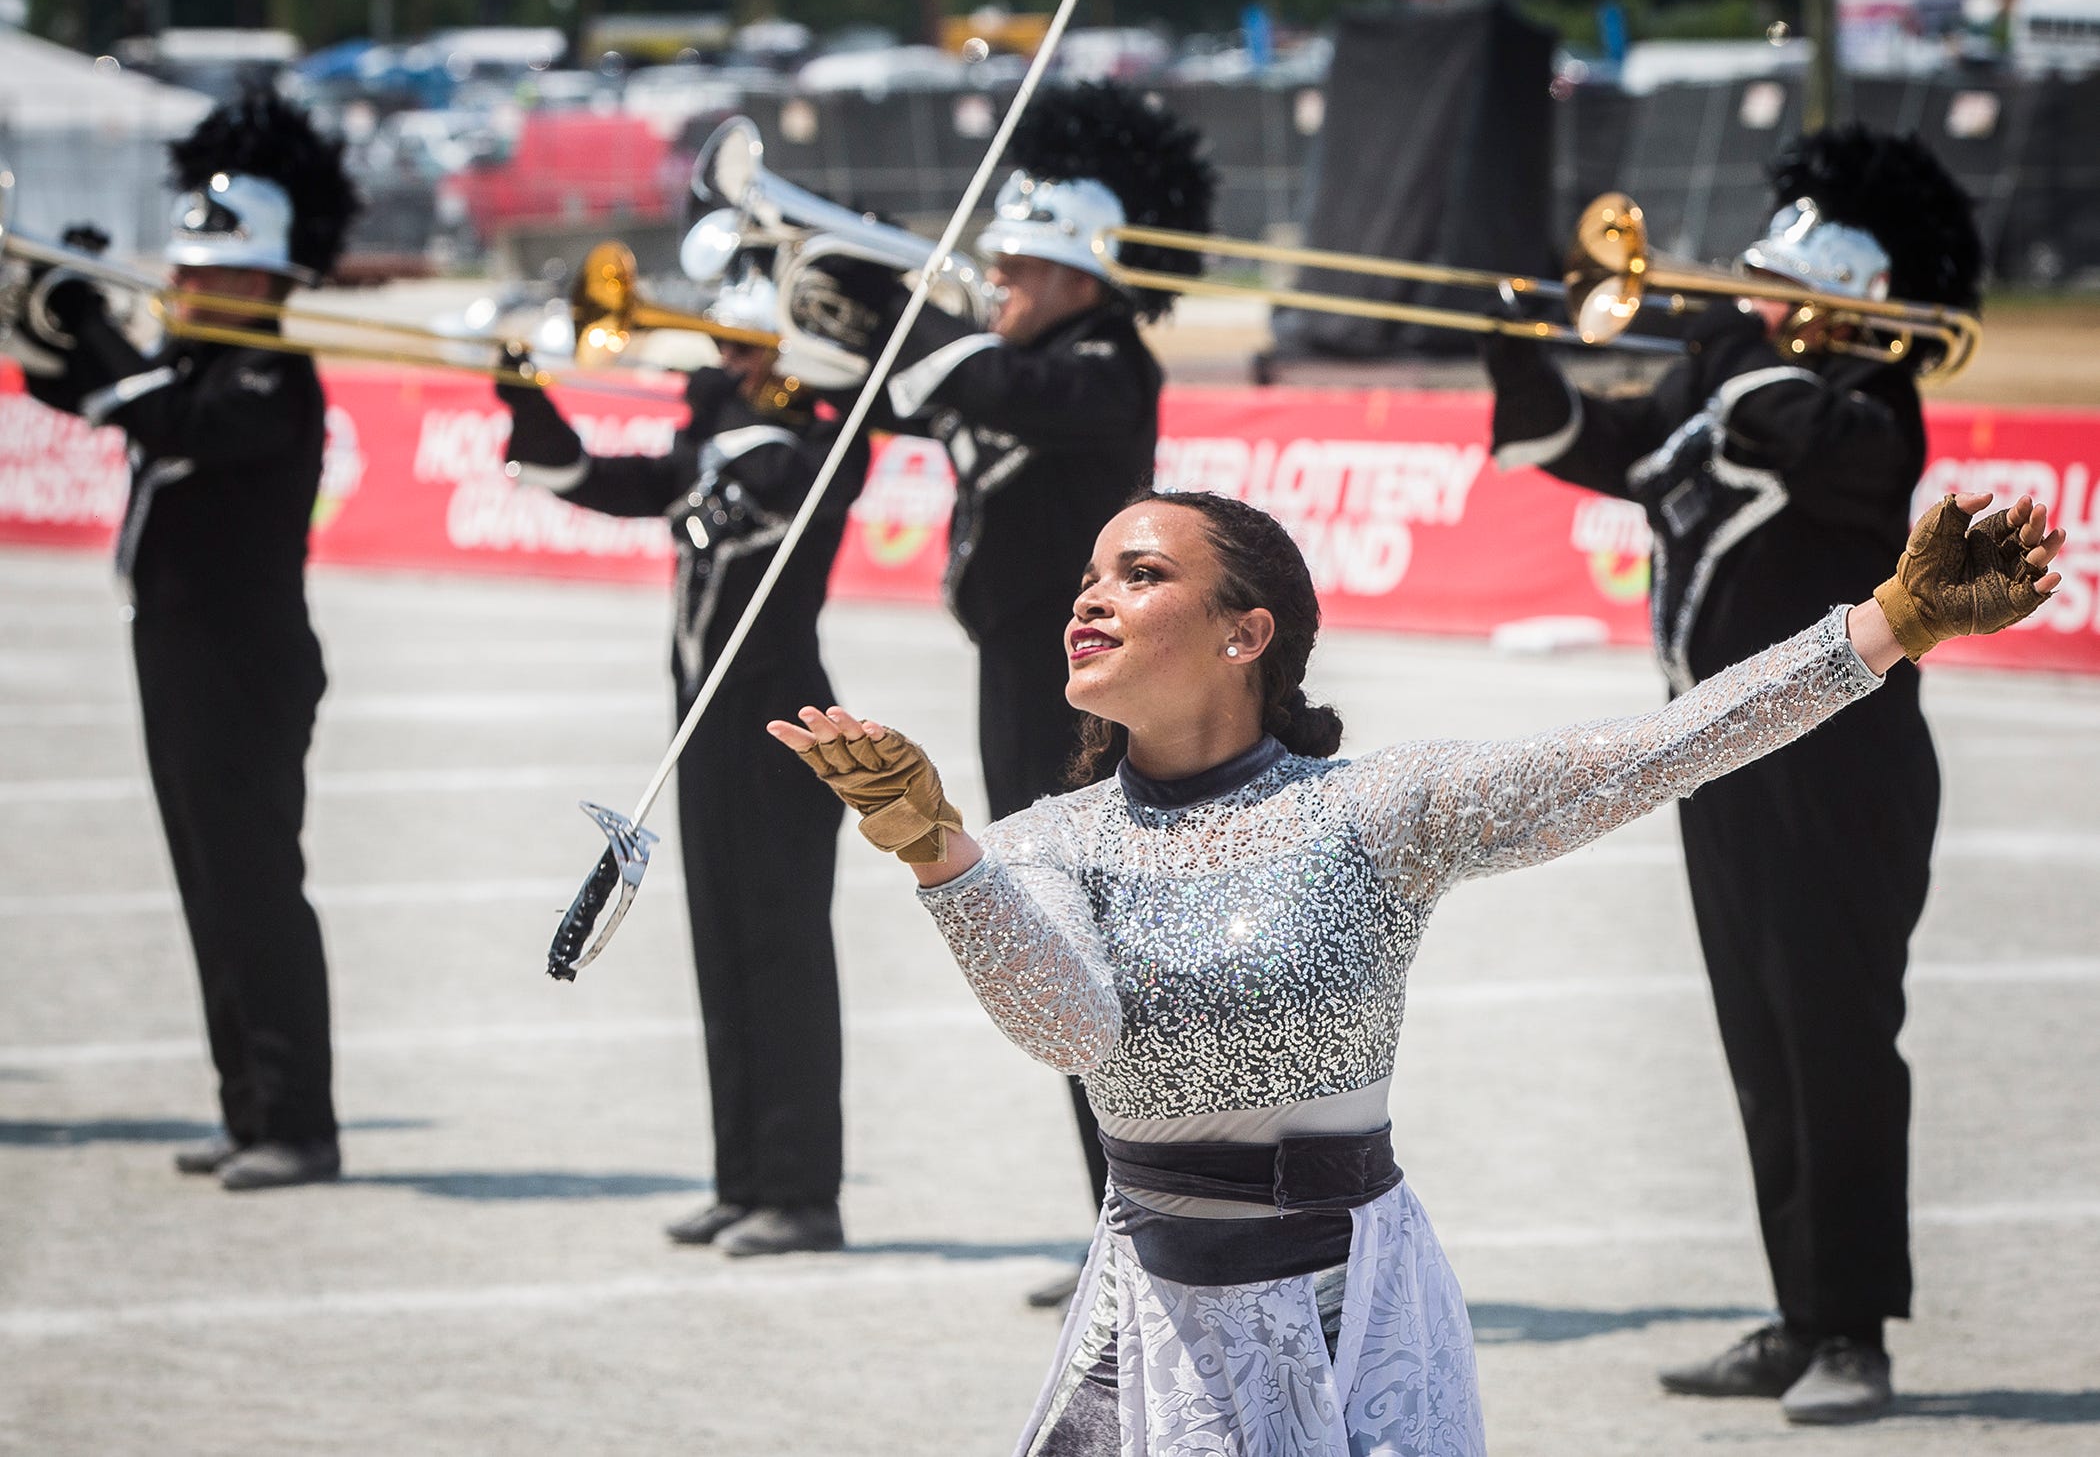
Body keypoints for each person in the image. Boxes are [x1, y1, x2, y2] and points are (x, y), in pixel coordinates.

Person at [768, 483, 2059, 1456]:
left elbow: (1659, 751)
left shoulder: (1377, 811)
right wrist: (938, 852)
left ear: (1243, 634)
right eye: (1087, 578)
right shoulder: (1047, 841)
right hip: (1164, 1326)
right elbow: (1070, 1030)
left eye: (1139, 573)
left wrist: (1888, 625)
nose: (1087, 599)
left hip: (1363, 1305)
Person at [1482, 126, 1984, 1422]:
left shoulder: (1867, 412)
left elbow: (1774, 425)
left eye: (1775, 288)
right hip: (1724, 763)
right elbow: (1594, 449)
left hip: (1842, 772)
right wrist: (1521, 348)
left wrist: (1737, 338)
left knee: (1836, 1046)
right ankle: (1800, 1308)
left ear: (1846, 306)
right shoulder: (1738, 383)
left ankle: (1856, 1331)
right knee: (1760, 1046)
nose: (1743, 302)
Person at [791, 82, 1217, 1299]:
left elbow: (986, 388)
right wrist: (855, 312)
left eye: (1021, 267)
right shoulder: (1024, 354)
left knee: (1103, 955)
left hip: (1088, 695)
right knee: (1058, 947)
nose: (1001, 286)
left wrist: (897, 302)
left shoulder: (1105, 368)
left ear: (1085, 272)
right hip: (1014, 676)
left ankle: (1157, 1226)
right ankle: (1120, 1228)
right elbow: (939, 392)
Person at [14, 89, 359, 1191]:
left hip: (244, 664)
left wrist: (102, 330)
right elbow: (76, 384)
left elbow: (166, 418)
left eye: (217, 275)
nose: (192, 287)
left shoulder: (271, 374)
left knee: (256, 887)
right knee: (206, 887)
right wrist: (43, 308)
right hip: (173, 649)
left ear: (269, 281)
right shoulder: (195, 360)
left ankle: (299, 1121)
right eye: (190, 271)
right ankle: (246, 1105)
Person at [498, 254, 868, 1256]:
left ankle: (801, 1191)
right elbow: (593, 480)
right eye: (717, 348)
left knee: (781, 958)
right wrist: (526, 396)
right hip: (705, 737)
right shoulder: (721, 445)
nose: (720, 364)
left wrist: (726, 408)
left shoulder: (812, 448)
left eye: (741, 350)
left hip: (787, 738)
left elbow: (777, 472)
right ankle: (740, 1175)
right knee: (720, 953)